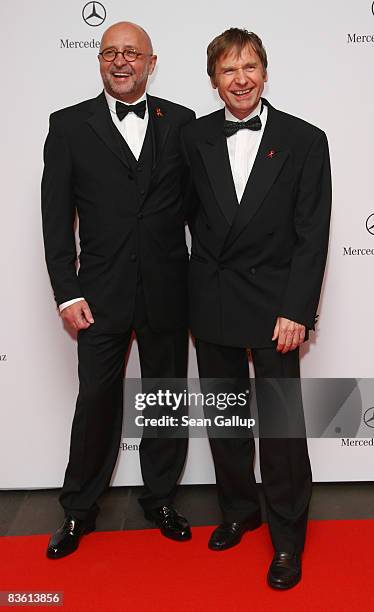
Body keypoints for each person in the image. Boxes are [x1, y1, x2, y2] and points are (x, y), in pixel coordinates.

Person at [181, 28, 331, 589]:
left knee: (282, 427)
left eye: (249, 67)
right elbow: (183, 216)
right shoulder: (193, 138)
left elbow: (311, 234)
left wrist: (298, 308)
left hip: (276, 307)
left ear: (265, 73)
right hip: (214, 297)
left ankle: (287, 538)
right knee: (225, 417)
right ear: (214, 79)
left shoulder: (305, 139)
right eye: (228, 69)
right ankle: (240, 510)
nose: (240, 79)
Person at [42, 21, 195, 559]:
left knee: (165, 401)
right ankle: (78, 510)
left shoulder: (181, 122)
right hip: (98, 294)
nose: (121, 61)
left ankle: (159, 499)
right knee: (96, 403)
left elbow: (203, 208)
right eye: (111, 52)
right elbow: (55, 220)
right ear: (100, 61)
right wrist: (66, 291)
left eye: (132, 53)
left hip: (169, 289)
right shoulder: (67, 127)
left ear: (152, 62)